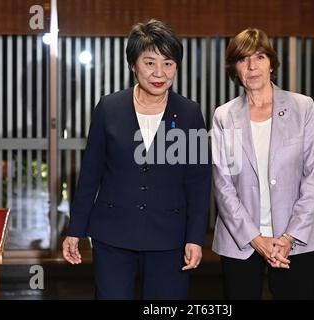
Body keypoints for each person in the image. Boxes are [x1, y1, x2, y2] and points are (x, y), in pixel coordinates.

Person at [62, 19, 212, 300]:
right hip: (113, 234)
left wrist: (195, 237)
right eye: (150, 62)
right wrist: (76, 230)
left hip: (170, 238)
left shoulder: (190, 113)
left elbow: (198, 183)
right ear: (133, 65)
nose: (160, 73)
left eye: (168, 63)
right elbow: (91, 173)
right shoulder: (109, 108)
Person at [211, 28, 314, 300]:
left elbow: (313, 178)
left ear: (271, 63)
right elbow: (223, 186)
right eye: (243, 59)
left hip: (298, 238)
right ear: (235, 68)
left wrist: (288, 237)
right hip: (241, 240)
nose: (252, 66)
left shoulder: (303, 107)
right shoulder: (224, 116)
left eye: (260, 57)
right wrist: (256, 238)